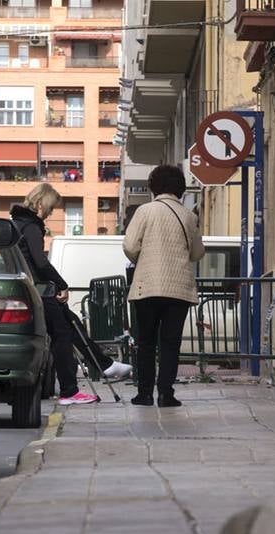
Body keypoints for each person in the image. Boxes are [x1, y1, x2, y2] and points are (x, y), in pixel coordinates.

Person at [11, 184, 131, 406]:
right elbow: (40, 261)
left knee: (71, 322)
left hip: (35, 289)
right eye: (50, 208)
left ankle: (105, 364)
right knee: (63, 335)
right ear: (40, 204)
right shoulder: (31, 227)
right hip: (40, 290)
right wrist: (61, 284)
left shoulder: (17, 224)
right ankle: (70, 390)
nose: (51, 213)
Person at [122, 164, 206, 407]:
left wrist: (143, 257)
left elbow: (130, 245)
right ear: (180, 189)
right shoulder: (189, 216)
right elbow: (198, 252)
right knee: (171, 343)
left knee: (146, 342)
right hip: (178, 289)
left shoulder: (145, 211)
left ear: (154, 186)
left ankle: (145, 393)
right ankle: (166, 394)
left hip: (147, 287)